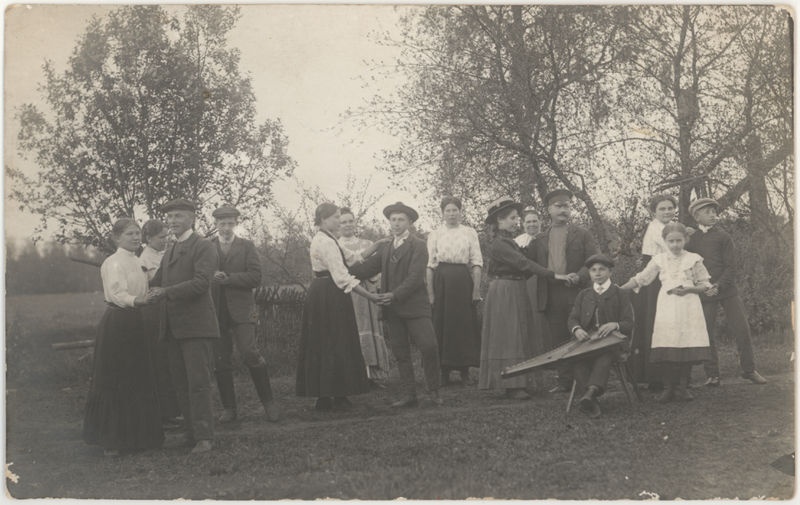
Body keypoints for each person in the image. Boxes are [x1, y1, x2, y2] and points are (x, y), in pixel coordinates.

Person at [83, 218, 163, 456]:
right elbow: (117, 293)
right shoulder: (113, 262)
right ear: (117, 238)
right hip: (119, 322)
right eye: (130, 234)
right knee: (116, 378)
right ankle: (113, 440)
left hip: (137, 321)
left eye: (138, 233)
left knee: (137, 377)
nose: (136, 238)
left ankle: (139, 437)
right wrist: (138, 300)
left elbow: (147, 286)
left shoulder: (139, 261)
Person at [350, 202, 443, 407]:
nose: (396, 223)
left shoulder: (418, 244)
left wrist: (394, 295)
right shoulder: (385, 247)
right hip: (392, 309)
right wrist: (338, 267)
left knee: (429, 347)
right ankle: (409, 395)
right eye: (393, 220)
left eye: (401, 219)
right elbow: (365, 270)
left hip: (415, 307)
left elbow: (415, 277)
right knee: (401, 353)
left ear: (409, 222)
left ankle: (433, 392)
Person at [296, 203, 385, 411]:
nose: (339, 220)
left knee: (336, 341)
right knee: (328, 342)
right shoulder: (324, 242)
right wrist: (371, 296)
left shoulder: (329, 238)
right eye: (336, 217)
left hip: (329, 292)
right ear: (324, 219)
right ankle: (326, 396)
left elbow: (353, 258)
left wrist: (379, 244)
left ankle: (336, 393)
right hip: (327, 294)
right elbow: (343, 277)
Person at [149, 198, 220, 454]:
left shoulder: (203, 246)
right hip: (173, 327)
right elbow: (154, 281)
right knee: (180, 382)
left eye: (178, 216)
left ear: (191, 218)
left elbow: (202, 283)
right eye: (169, 218)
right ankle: (191, 433)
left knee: (198, 383)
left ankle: (205, 437)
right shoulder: (170, 249)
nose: (172, 222)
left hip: (196, 327)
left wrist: (165, 292)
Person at [479, 197, 566, 399]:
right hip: (505, 291)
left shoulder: (509, 241)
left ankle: (521, 380)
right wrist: (554, 275)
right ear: (499, 221)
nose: (516, 221)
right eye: (511, 218)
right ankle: (512, 384)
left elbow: (526, 264)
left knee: (520, 333)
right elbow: (523, 263)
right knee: (510, 335)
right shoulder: (499, 244)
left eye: (516, 218)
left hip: (516, 288)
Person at [620, 222, 712, 403]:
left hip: (689, 307)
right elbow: (641, 279)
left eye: (679, 240)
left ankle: (683, 388)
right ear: (664, 241)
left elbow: (705, 285)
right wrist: (619, 289)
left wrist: (689, 290)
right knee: (667, 344)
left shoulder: (694, 259)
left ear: (685, 239)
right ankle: (668, 388)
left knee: (686, 344)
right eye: (671, 241)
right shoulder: (659, 259)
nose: (675, 245)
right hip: (667, 308)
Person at [685, 198, 768, 386]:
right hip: (705, 292)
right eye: (707, 212)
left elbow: (731, 267)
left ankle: (749, 370)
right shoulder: (692, 239)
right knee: (706, 332)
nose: (713, 215)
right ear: (696, 215)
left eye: (714, 211)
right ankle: (712, 375)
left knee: (742, 329)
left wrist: (719, 285)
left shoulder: (723, 236)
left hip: (727, 290)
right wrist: (705, 287)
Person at [210, 205, 281, 424]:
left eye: (230, 223)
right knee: (220, 360)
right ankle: (229, 409)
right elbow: (200, 275)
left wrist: (228, 278)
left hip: (242, 310)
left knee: (250, 353)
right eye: (222, 224)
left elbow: (255, 277)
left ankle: (269, 404)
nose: (226, 228)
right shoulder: (206, 247)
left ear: (236, 224)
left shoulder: (247, 246)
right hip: (215, 310)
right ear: (215, 225)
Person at [526, 189, 600, 392]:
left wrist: (580, 275)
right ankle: (565, 381)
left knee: (580, 334)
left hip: (577, 293)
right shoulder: (539, 239)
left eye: (566, 206)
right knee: (558, 338)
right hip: (550, 293)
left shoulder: (582, 234)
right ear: (549, 210)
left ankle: (586, 380)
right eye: (558, 206)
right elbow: (528, 264)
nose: (563, 210)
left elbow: (593, 261)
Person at [567, 254, 634, 418]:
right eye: (593, 270)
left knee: (604, 355)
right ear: (589, 273)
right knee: (576, 359)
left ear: (610, 272)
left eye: (602, 269)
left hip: (613, 343)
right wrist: (576, 329)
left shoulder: (620, 293)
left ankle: (590, 393)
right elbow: (572, 318)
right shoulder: (584, 294)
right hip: (587, 343)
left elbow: (629, 323)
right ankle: (591, 400)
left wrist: (615, 325)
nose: (597, 273)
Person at [426, 196, 483, 386]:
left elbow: (476, 262)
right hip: (441, 280)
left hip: (462, 280)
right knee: (442, 324)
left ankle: (465, 370)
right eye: (448, 210)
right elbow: (430, 265)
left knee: (463, 324)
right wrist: (431, 293)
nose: (451, 214)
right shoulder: (435, 234)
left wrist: (476, 290)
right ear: (442, 213)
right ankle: (444, 371)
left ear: (460, 211)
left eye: (455, 210)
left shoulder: (469, 232)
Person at [338, 207, 392, 384]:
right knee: (351, 329)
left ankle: (373, 374)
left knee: (370, 326)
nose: (347, 225)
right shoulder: (336, 245)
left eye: (350, 221)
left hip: (367, 292)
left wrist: (370, 279)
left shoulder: (367, 244)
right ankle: (355, 374)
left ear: (355, 223)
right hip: (347, 294)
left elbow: (376, 268)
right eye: (343, 222)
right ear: (338, 224)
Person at [630, 194, 678, 390]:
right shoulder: (655, 228)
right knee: (655, 324)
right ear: (654, 212)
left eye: (670, 208)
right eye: (662, 209)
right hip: (655, 277)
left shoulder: (674, 225)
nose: (667, 212)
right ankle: (655, 376)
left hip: (670, 275)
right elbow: (672, 248)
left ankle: (675, 373)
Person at [139, 219, 181, 428]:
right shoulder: (144, 258)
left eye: (167, 236)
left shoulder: (165, 253)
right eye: (161, 237)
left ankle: (175, 409)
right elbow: (151, 283)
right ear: (148, 239)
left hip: (167, 308)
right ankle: (165, 412)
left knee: (171, 360)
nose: (165, 240)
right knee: (160, 361)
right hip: (153, 312)